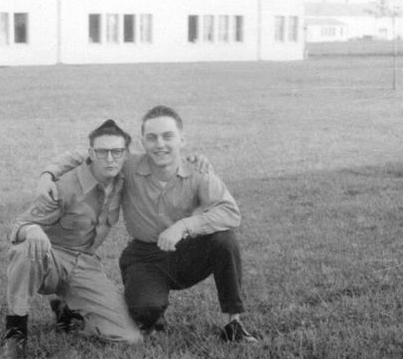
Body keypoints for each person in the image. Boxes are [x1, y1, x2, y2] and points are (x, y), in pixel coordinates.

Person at [38, 105, 257, 343]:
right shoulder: (128, 165)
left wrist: (183, 226)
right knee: (142, 313)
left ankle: (233, 325)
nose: (160, 144)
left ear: (182, 140)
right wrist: (47, 174)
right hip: (145, 256)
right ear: (143, 142)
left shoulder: (198, 172)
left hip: (188, 252)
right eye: (152, 137)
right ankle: (72, 307)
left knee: (224, 239)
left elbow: (230, 212)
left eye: (167, 136)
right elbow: (82, 156)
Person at [4, 119, 142, 359]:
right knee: (25, 250)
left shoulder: (124, 176)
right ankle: (15, 332)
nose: (110, 158)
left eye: (117, 152)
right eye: (102, 152)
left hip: (85, 263)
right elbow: (18, 226)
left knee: (128, 337)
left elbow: (161, 161)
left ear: (126, 154)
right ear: (91, 154)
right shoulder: (63, 187)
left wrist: (197, 163)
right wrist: (33, 228)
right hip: (50, 258)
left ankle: (66, 306)